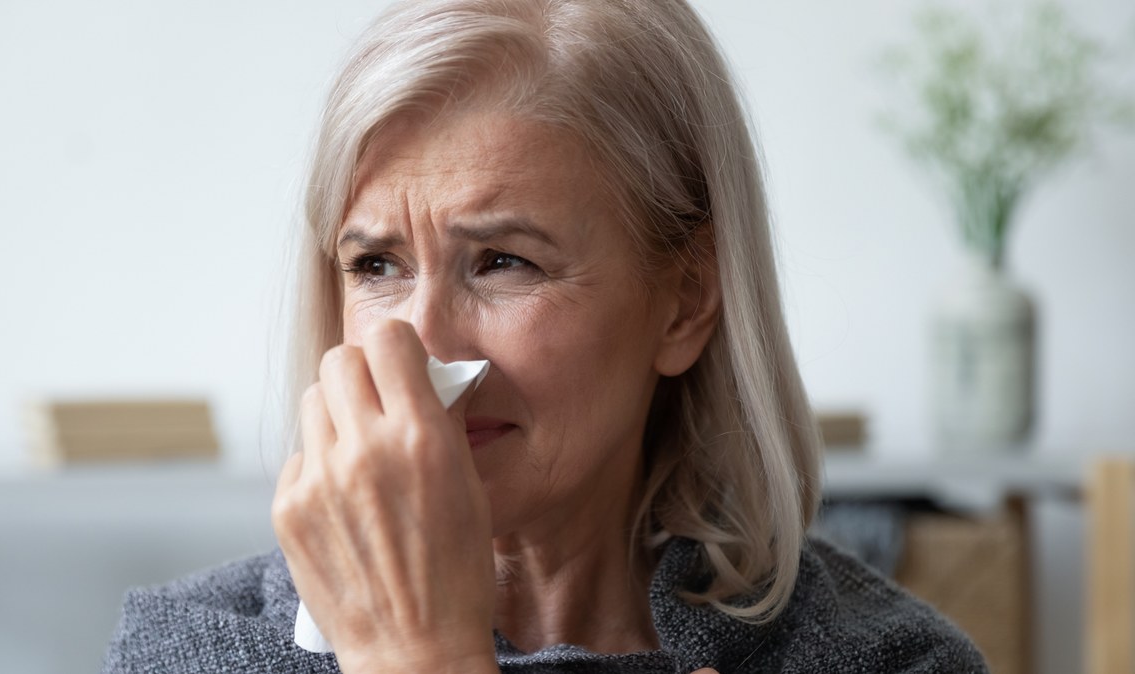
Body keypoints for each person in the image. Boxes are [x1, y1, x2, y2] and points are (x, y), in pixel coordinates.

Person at [103, 0, 988, 672]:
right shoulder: (189, 647)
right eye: (376, 266)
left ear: (684, 302)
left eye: (502, 262)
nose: (424, 348)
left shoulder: (887, 658)